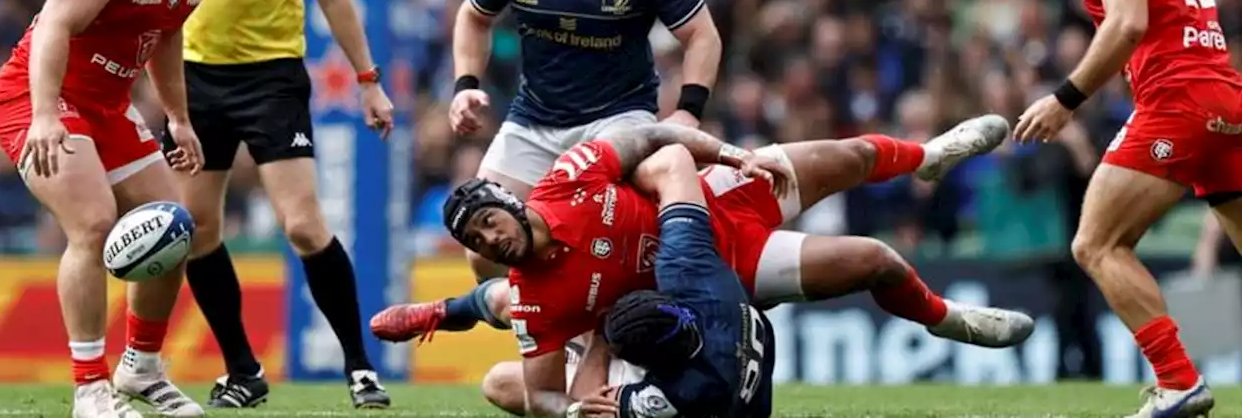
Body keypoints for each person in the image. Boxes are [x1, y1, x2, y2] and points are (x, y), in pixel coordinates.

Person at [374, 118, 1034, 417]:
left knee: (848, 153)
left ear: (510, 202)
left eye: (489, 219)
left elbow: (660, 139)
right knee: (874, 258)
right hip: (715, 281)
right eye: (478, 236)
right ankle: (951, 321)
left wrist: (731, 151)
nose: (492, 235)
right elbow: (546, 393)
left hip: (712, 197)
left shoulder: (570, 175)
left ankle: (928, 156)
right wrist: (576, 406)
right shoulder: (535, 297)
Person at [171, 0, 394, 410]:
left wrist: (369, 81)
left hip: (271, 77)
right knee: (197, 230)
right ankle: (243, 369)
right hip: (193, 77)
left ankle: (358, 366)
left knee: (302, 224)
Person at [0, 0, 235, 418]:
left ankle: (141, 369)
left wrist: (177, 117)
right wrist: (46, 114)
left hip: (107, 105)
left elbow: (166, 34)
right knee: (94, 221)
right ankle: (90, 391)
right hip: (36, 97)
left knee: (179, 229)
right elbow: (54, 24)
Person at [1014, 0, 1242, 418]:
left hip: (1178, 103)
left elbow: (1128, 22)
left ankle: (1177, 381)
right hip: (1224, 96)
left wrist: (1065, 99)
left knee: (1097, 242)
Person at [448, 0, 722, 284]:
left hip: (617, 119)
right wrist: (465, 84)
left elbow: (701, 33)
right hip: (535, 120)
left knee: (593, 235)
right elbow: (472, 17)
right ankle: (536, 338)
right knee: (483, 256)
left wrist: (689, 109)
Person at [588, 145, 777, 418]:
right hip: (745, 363)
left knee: (505, 382)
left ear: (646, 365)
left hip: (715, 400)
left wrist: (597, 338)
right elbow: (674, 160)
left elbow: (594, 407)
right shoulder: (689, 270)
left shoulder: (681, 393)